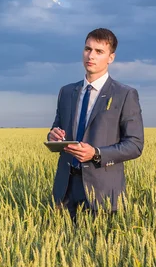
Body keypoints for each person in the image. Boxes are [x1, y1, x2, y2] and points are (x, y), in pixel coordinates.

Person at [47, 28, 144, 220]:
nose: (91, 55)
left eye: (99, 51)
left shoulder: (124, 94)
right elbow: (57, 129)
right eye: (87, 49)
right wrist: (53, 136)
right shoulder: (66, 92)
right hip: (66, 189)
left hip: (103, 191)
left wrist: (96, 154)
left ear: (111, 58)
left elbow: (135, 144)